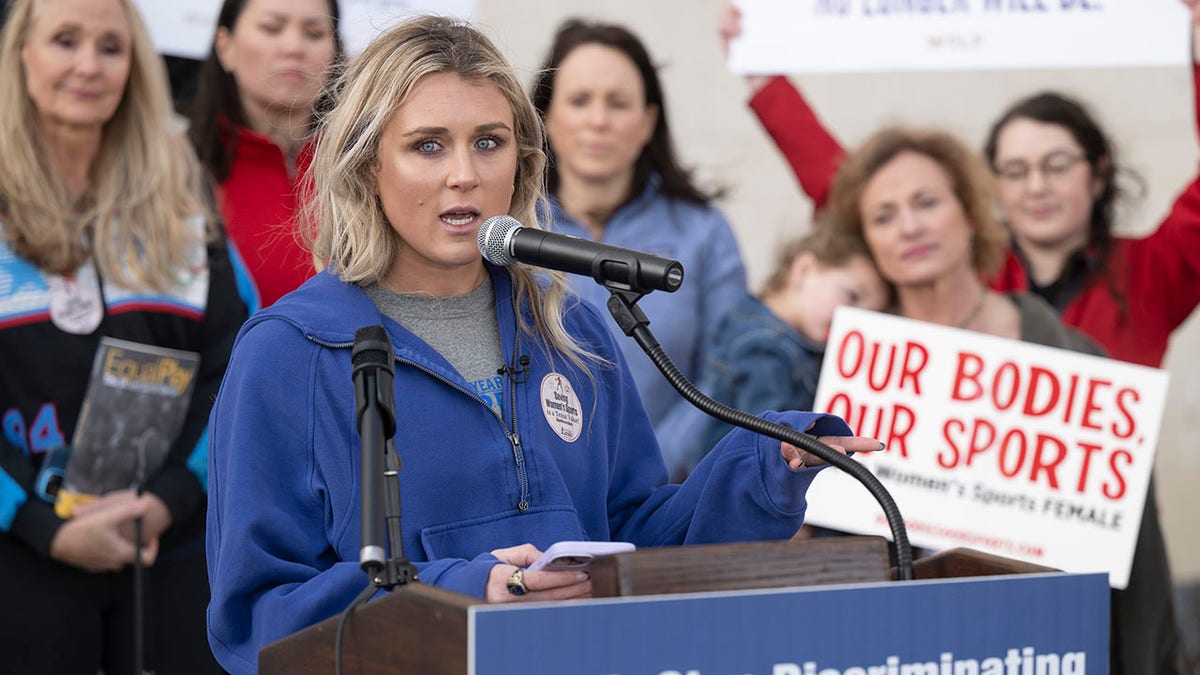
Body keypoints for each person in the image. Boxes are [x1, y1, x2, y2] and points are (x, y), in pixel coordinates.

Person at [204, 15, 881, 675]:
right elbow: (258, 615)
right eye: (429, 145)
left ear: (523, 162)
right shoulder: (288, 352)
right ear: (365, 163)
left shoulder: (570, 328)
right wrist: (468, 591)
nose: (465, 173)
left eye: (490, 142)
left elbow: (633, 535)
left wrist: (766, 463)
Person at [825, 126, 1182, 674]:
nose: (910, 226)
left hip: (1055, 650)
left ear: (971, 213)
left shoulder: (1078, 359)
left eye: (926, 202)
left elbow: (1139, 564)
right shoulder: (851, 372)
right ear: (867, 242)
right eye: (884, 216)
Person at [720, 2, 1200, 368]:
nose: (1036, 186)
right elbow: (853, 188)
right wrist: (766, 74)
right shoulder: (963, 263)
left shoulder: (1153, 274)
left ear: (1098, 173)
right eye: (1014, 170)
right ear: (988, 190)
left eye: (1057, 165)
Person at [0, 0, 247, 672]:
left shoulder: (181, 203)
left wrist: (170, 497)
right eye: (65, 40)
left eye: (110, 47)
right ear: (22, 52)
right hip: (19, 564)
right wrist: (40, 525)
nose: (88, 64)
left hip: (169, 554)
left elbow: (240, 362)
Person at [529, 19, 748, 434]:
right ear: (546, 117)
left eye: (618, 103)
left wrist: (655, 470)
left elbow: (727, 373)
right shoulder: (509, 230)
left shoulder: (703, 232)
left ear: (648, 122)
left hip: (672, 489)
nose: (598, 120)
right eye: (579, 100)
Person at [657, 226, 890, 479]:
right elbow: (770, 440)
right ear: (803, 269)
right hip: (732, 489)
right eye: (852, 296)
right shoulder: (765, 347)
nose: (852, 320)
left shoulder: (750, 319)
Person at [188, 0, 342, 308]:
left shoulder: (368, 168)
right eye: (272, 28)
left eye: (314, 33)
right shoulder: (179, 168)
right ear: (225, 46)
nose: (294, 48)